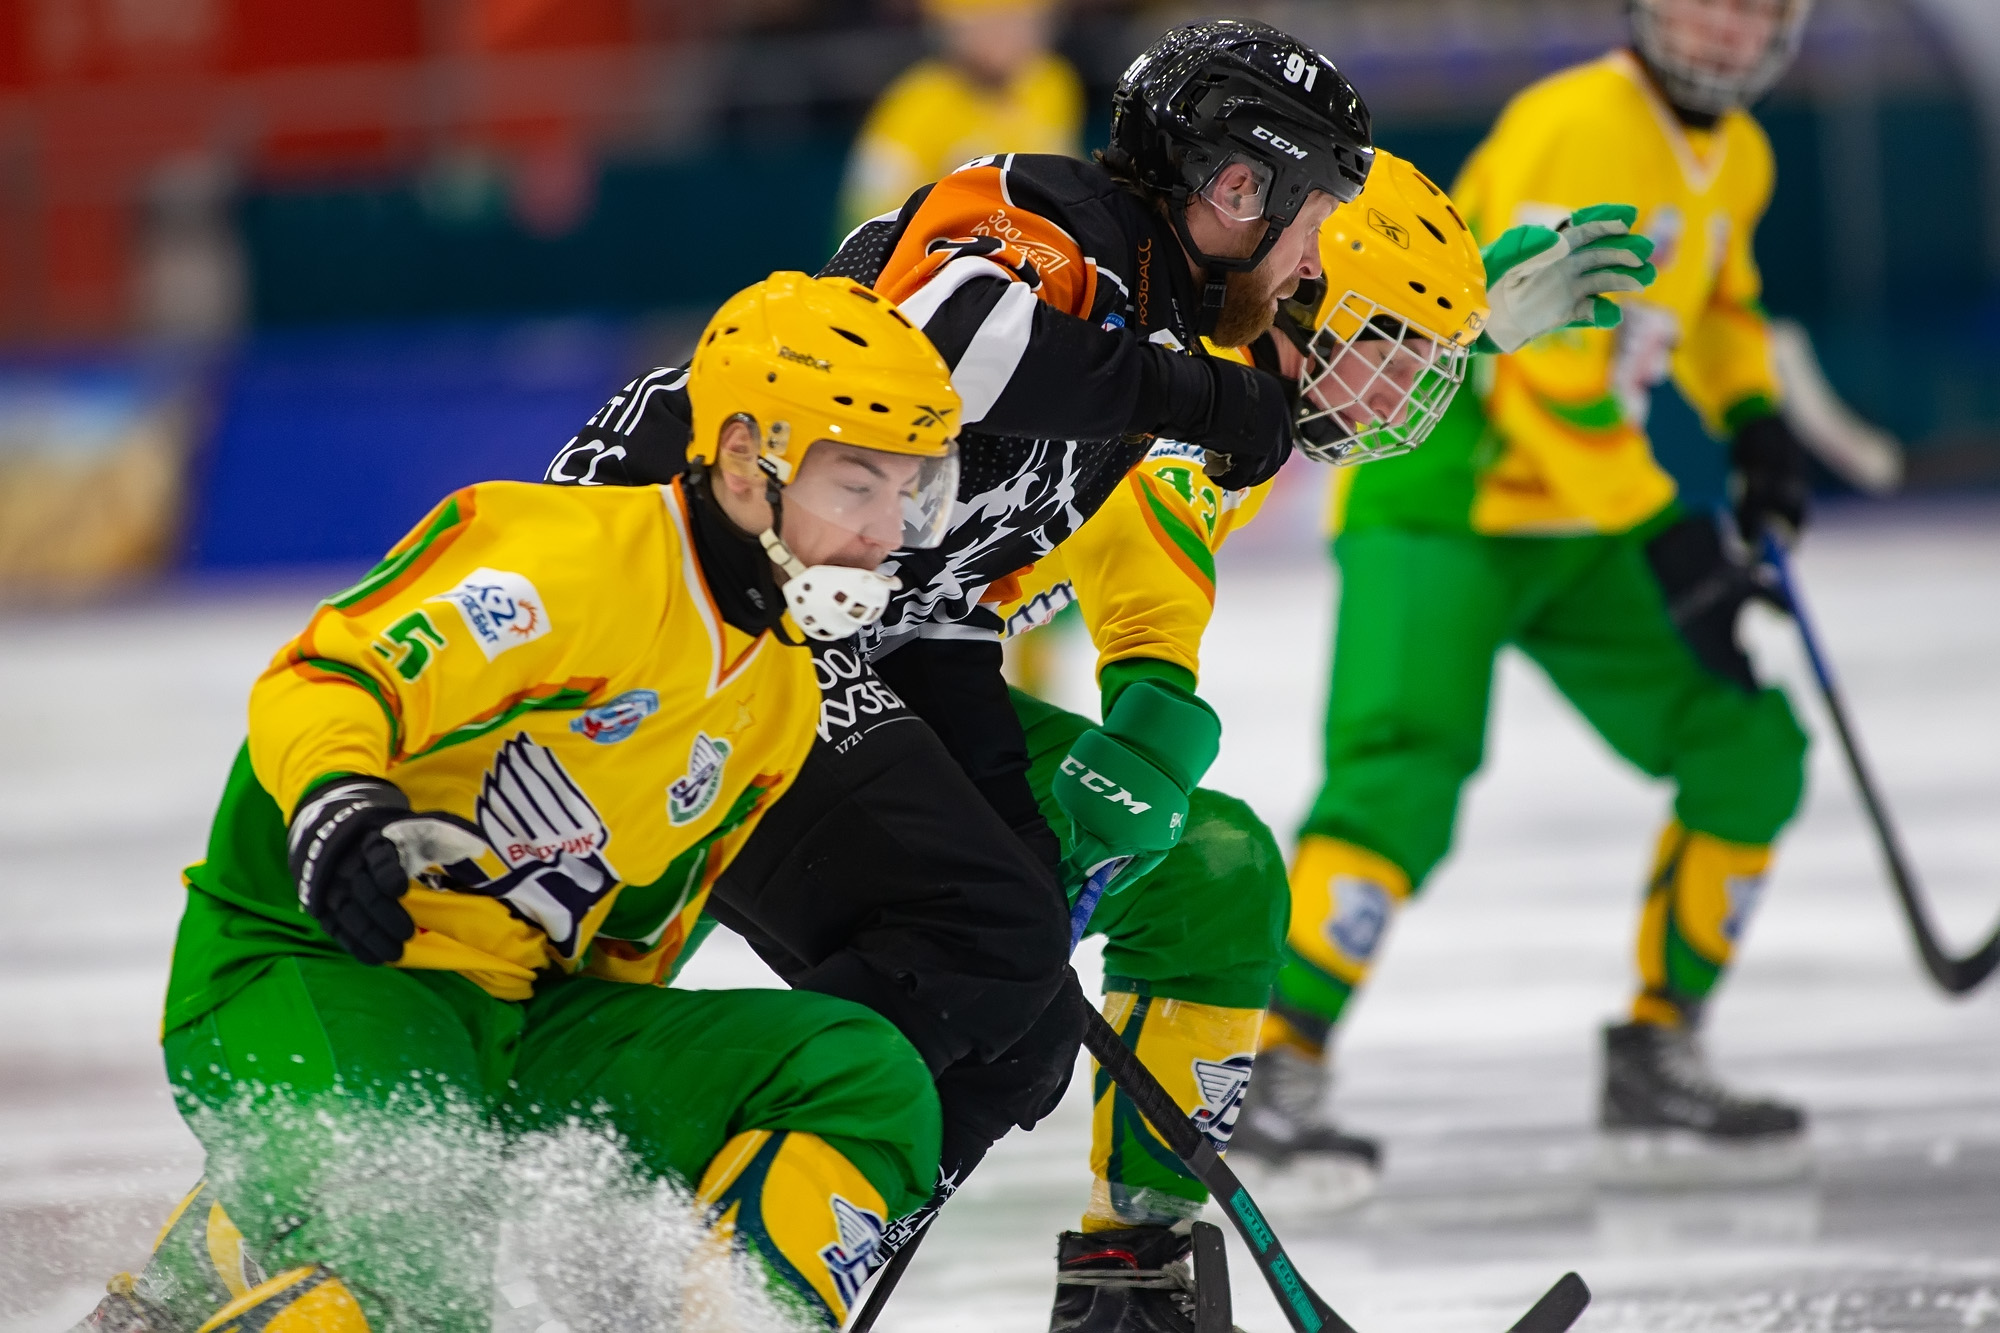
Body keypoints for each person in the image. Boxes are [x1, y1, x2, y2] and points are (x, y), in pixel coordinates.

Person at [545, 16, 1373, 1249]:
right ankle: (627, 1211)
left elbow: (936, 599)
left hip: (796, 628)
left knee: (1020, 1016)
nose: (1308, 255)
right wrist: (1206, 393)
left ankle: (750, 1259)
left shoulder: (1135, 341)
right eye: (1307, 216)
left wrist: (1008, 809)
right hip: (670, 595)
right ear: (1234, 186)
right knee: (982, 941)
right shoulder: (1050, 214)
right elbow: (955, 346)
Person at [69, 274, 963, 1333]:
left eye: (912, 490)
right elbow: (330, 675)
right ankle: (274, 1253)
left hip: (508, 1028)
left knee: (861, 1074)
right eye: (855, 485)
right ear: (739, 460)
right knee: (425, 1290)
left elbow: (631, 943)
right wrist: (338, 803)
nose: (887, 529)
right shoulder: (568, 559)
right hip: (313, 968)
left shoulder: (776, 697)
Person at [991, 148, 1654, 1330]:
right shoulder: (1186, 406)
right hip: (802, 686)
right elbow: (1150, 583)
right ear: (1298, 293)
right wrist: (1141, 743)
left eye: (1426, 362)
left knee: (1212, 873)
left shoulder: (1237, 384)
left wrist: (1460, 330)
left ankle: (1129, 1289)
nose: (1408, 396)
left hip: (885, 671)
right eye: (1396, 348)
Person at [1258, 0, 1820, 1188]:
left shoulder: (1745, 154)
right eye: (1701, 1)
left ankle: (1658, 1046)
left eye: (1754, 8)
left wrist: (1754, 418)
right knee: (1396, 780)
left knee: (1746, 745)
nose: (1723, 31)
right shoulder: (1574, 126)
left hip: (1573, 514)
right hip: (1441, 497)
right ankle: (1266, 1062)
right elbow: (1537, 377)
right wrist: (1670, 538)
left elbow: (1715, 302)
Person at [839, 0, 1084, 236]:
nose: (1009, 36)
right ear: (951, 28)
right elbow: (866, 216)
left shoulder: (1053, 84)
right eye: (989, 23)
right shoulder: (912, 107)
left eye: (1024, 20)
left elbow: (1068, 179)